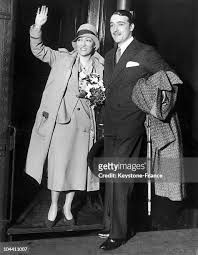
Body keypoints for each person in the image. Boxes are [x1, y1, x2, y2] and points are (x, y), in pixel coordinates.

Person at [100, 10, 184, 250]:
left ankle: (118, 233)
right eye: (112, 25)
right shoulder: (108, 56)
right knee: (110, 174)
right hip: (110, 122)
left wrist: (147, 94)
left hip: (131, 123)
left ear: (132, 26)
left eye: (121, 24)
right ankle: (109, 224)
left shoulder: (144, 51)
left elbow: (171, 77)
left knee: (120, 177)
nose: (116, 29)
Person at [25, 6, 104, 227]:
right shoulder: (61, 58)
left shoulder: (102, 65)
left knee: (78, 167)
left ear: (94, 44)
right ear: (75, 43)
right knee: (58, 166)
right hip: (61, 121)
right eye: (80, 40)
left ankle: (68, 207)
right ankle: (53, 205)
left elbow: (103, 95)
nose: (83, 44)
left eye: (88, 41)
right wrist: (38, 27)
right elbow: (38, 49)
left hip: (85, 124)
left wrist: (96, 96)